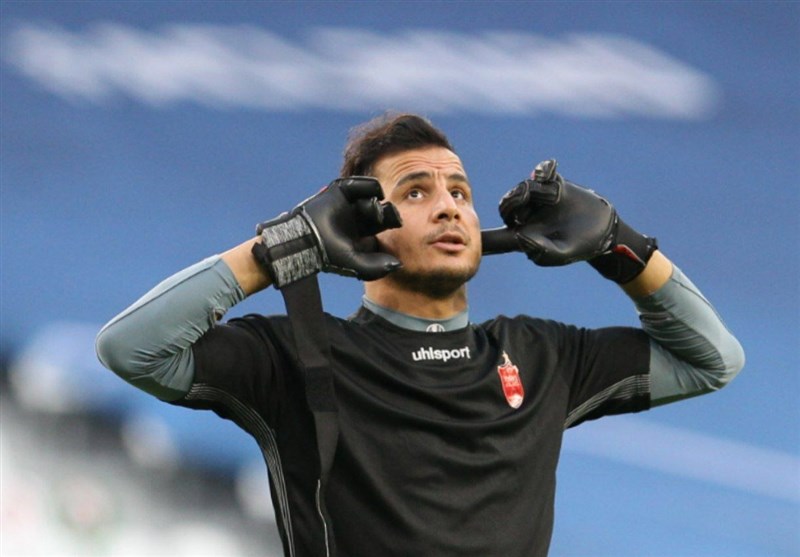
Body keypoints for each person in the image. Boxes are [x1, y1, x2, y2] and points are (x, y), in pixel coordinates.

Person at [96, 112, 744, 557]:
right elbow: (131, 348)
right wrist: (279, 250)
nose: (448, 207)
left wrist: (621, 247)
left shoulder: (541, 355)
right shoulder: (300, 354)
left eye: (460, 191)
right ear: (361, 225)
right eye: (415, 192)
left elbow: (712, 360)